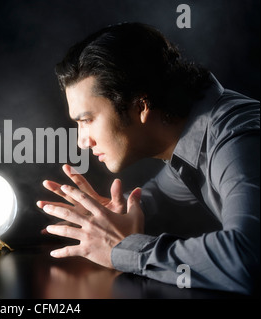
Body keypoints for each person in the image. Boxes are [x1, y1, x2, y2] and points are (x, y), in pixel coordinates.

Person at [36, 22, 260, 295]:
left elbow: (248, 259)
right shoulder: (190, 143)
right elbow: (158, 196)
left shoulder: (237, 137)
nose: (83, 141)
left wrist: (123, 248)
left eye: (88, 120)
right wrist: (108, 214)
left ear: (141, 106)